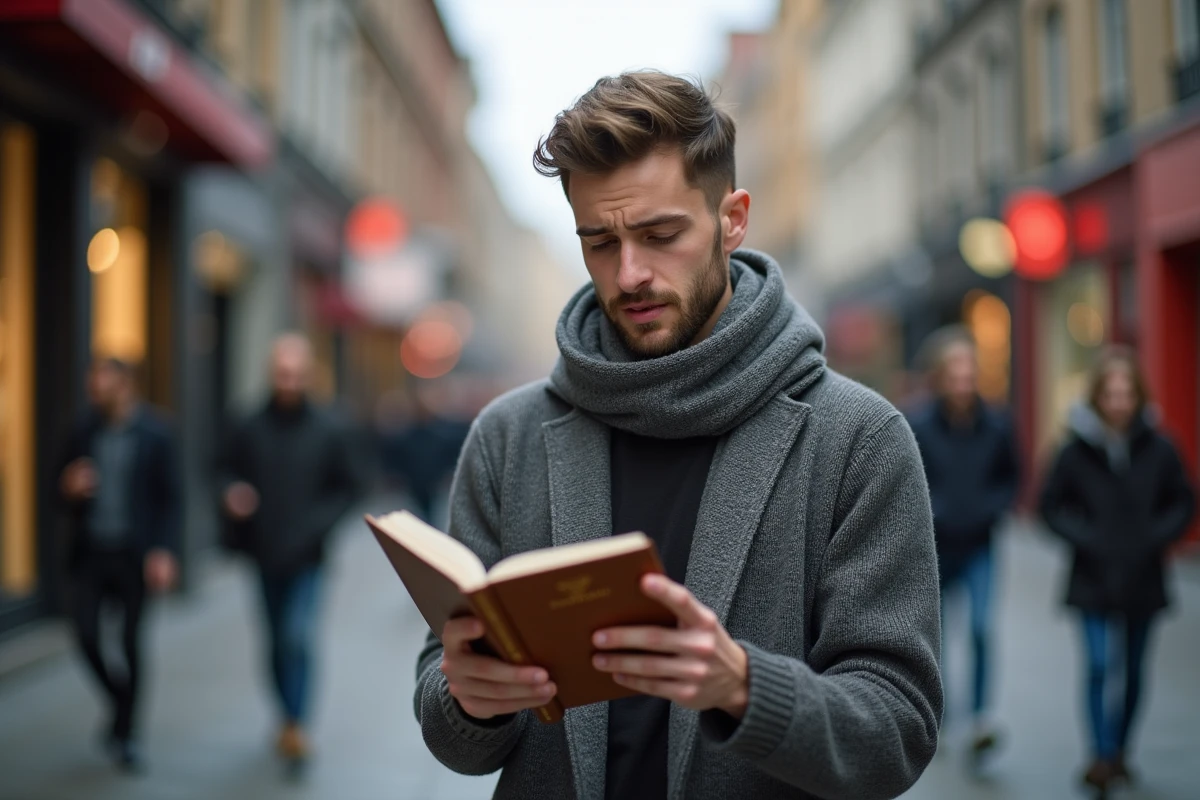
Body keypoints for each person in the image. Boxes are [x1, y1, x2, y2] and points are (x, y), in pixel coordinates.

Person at [414, 71, 942, 800]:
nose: (630, 273)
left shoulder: (859, 438)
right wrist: (466, 699)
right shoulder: (509, 437)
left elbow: (898, 730)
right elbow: (452, 729)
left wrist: (744, 687)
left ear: (732, 219)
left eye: (661, 235)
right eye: (599, 242)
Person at [1039, 347, 1195, 796]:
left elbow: (1183, 500)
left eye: (1127, 392)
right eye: (1111, 393)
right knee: (1099, 664)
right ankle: (1101, 756)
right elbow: (1050, 505)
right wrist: (1086, 537)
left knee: (1134, 670)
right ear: (1098, 396)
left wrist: (1155, 536)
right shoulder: (1073, 450)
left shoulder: (1161, 446)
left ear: (1138, 396)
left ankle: (1122, 749)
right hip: (1091, 576)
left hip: (1144, 576)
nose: (1119, 402)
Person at [219, 333, 360, 777]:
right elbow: (222, 468)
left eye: (297, 374)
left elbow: (350, 486)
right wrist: (231, 493)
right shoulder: (248, 424)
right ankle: (285, 716)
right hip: (263, 551)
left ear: (309, 376)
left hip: (308, 555)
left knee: (296, 636)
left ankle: (297, 725)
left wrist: (316, 525)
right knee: (275, 639)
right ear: (271, 374)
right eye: (282, 373)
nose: (289, 381)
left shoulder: (329, 428)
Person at [57, 358, 181, 772]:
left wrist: (164, 550)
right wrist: (68, 487)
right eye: (92, 385)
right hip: (91, 552)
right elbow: (58, 486)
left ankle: (128, 735)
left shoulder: (155, 434)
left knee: (130, 642)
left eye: (102, 384)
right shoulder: (83, 430)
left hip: (134, 555)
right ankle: (120, 703)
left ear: (125, 385)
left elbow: (170, 498)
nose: (95, 392)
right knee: (86, 635)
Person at [908, 327, 1018, 766]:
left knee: (980, 628)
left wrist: (991, 508)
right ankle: (939, 712)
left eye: (968, 372)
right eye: (954, 373)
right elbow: (907, 477)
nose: (962, 381)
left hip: (980, 545)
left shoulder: (997, 424)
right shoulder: (916, 423)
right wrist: (933, 511)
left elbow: (1012, 477)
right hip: (932, 547)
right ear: (939, 377)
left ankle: (980, 719)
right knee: (934, 635)